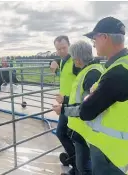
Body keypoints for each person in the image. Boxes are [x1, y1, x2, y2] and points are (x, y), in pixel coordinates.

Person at [62, 17, 128, 175]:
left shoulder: (119, 73)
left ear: (104, 37)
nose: (94, 43)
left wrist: (83, 101)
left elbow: (87, 111)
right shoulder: (124, 65)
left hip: (110, 153)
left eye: (94, 38)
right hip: (113, 149)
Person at [53, 41, 104, 175]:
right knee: (82, 163)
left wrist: (64, 108)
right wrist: (65, 100)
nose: (73, 60)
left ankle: (76, 170)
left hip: (84, 126)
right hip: (78, 121)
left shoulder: (92, 74)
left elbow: (86, 106)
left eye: (73, 57)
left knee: (84, 166)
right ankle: (75, 170)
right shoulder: (87, 70)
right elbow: (82, 99)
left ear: (79, 58)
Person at [50, 35, 81, 174]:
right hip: (65, 104)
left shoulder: (75, 62)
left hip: (73, 105)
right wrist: (53, 62)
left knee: (63, 133)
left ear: (69, 45)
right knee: (69, 134)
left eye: (64, 48)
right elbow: (64, 75)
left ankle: (77, 166)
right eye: (58, 49)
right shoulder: (63, 61)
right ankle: (75, 161)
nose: (61, 51)